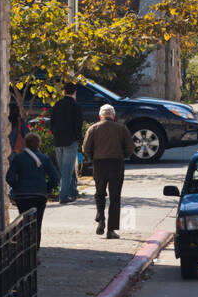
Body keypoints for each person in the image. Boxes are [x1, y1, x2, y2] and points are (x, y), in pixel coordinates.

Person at [82, 104, 135, 238]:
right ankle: (111, 230)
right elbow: (130, 147)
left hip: (99, 164)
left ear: (100, 116)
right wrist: (123, 155)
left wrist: (94, 156)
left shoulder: (93, 128)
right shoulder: (121, 128)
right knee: (115, 197)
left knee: (99, 193)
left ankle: (101, 218)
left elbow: (86, 148)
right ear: (113, 115)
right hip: (116, 163)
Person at [6, 131, 59, 250]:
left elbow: (9, 177)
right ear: (38, 144)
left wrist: (17, 186)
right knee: (37, 223)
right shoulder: (44, 158)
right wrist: (47, 188)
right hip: (39, 195)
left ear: (26, 144)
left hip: (22, 196)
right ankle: (35, 252)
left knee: (24, 222)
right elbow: (55, 177)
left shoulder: (18, 158)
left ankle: (24, 249)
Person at [50, 81, 84, 204]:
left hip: (58, 140)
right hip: (71, 140)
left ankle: (73, 191)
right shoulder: (76, 106)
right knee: (67, 170)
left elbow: (52, 123)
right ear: (74, 92)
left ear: (64, 92)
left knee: (63, 169)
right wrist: (77, 137)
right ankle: (63, 196)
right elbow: (78, 124)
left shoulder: (57, 104)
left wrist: (55, 134)